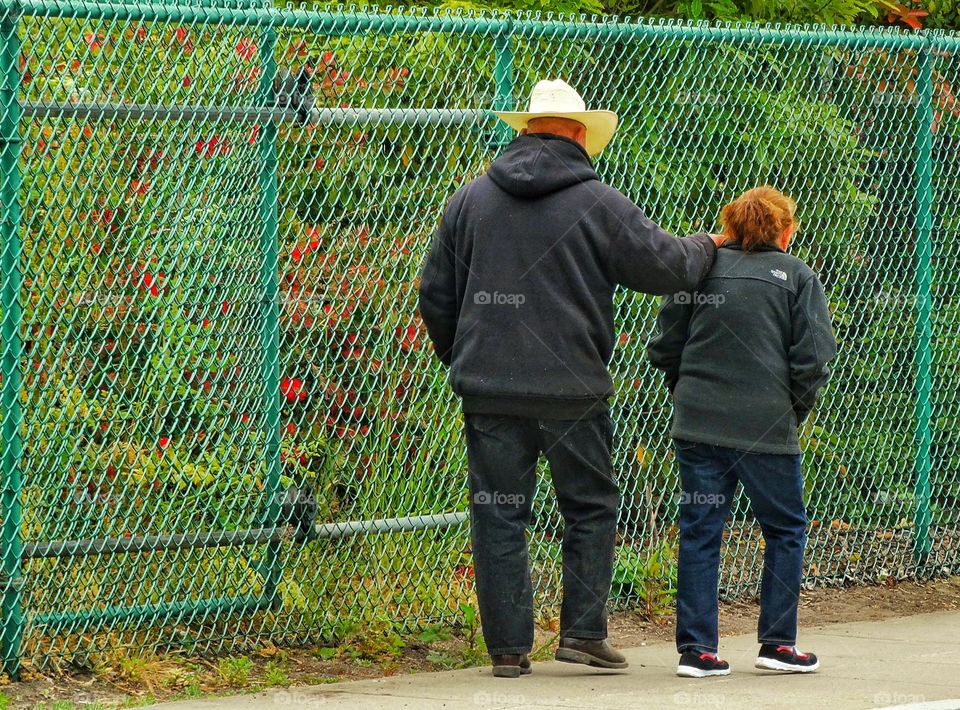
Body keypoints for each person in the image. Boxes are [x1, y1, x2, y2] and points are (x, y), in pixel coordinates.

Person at [418, 78, 723, 678]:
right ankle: (583, 633)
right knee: (589, 507)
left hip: (489, 388)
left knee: (499, 511)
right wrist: (710, 243)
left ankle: (508, 650)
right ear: (582, 133)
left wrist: (464, 358)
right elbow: (666, 266)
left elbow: (435, 293)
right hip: (573, 389)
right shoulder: (599, 202)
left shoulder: (470, 199)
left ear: (524, 128)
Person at [647, 186, 837, 678]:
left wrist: (688, 394)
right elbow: (813, 358)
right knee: (785, 530)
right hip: (768, 430)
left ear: (727, 227)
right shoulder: (797, 277)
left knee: (700, 532)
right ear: (787, 231)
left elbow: (665, 345)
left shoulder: (698, 271)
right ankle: (777, 644)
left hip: (698, 425)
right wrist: (792, 410)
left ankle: (698, 652)